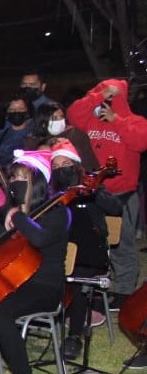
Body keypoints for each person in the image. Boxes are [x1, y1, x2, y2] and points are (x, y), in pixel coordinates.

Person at [0, 150, 69, 374]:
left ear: (38, 183)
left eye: (22, 178)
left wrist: (19, 215)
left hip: (45, 286)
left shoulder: (57, 212)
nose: (15, 184)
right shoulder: (6, 215)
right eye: (12, 178)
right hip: (13, 282)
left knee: (1, 312)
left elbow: (40, 239)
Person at [68, 78, 147, 307]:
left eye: (112, 95)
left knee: (123, 244)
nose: (107, 100)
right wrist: (98, 95)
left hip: (122, 195)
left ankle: (124, 292)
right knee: (93, 242)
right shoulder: (90, 120)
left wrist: (117, 120)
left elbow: (141, 141)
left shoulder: (135, 121)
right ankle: (94, 286)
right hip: (94, 194)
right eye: (104, 94)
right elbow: (73, 113)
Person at [50, 140, 122, 361]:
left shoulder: (93, 188)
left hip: (90, 253)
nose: (61, 169)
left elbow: (116, 208)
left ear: (75, 164)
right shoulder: (54, 192)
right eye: (56, 166)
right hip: (61, 250)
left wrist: (93, 191)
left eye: (65, 164)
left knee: (77, 280)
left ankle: (73, 336)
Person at [0, 94, 35, 169]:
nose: (16, 112)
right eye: (12, 109)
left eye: (21, 109)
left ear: (27, 112)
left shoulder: (35, 135)